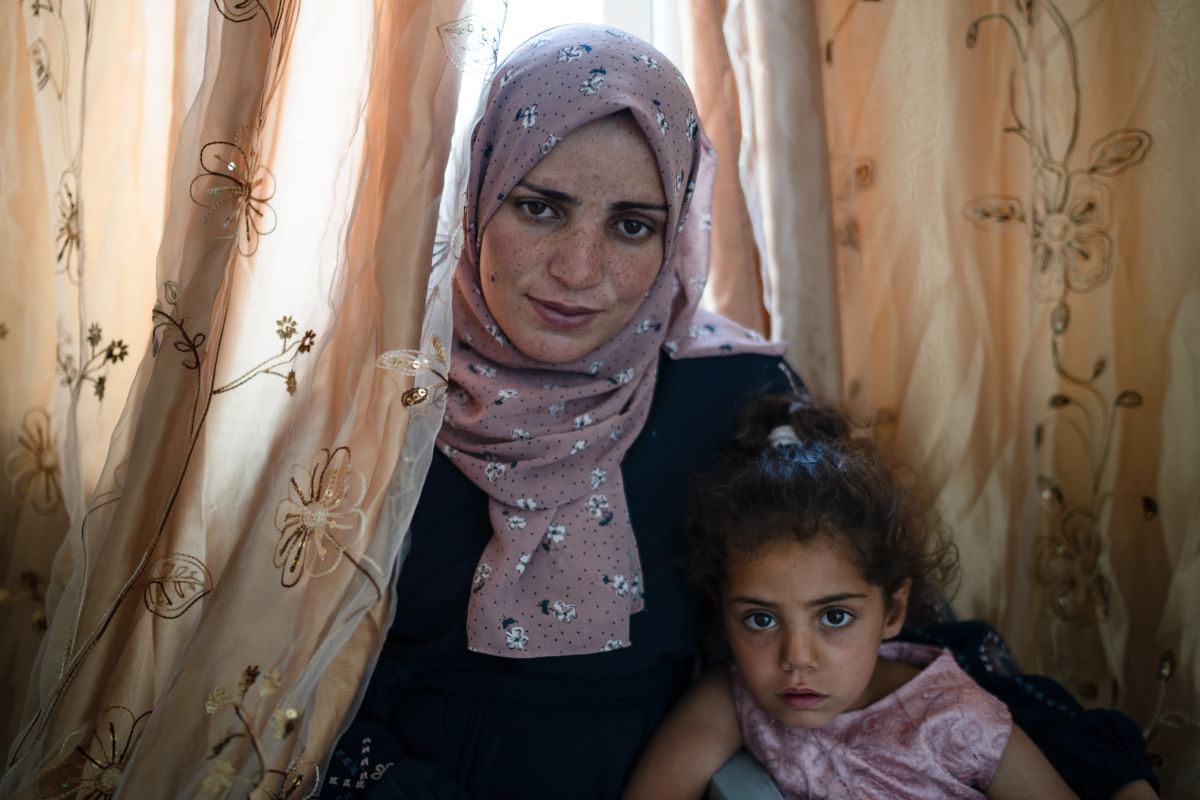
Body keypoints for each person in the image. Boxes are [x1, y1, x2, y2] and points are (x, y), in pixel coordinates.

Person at [324, 23, 1158, 800]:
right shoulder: (380, 399)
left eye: (632, 225)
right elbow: (305, 690)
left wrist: (1105, 770)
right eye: (540, 207)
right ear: (476, 195)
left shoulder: (732, 390)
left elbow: (889, 628)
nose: (579, 270)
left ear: (679, 229)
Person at [622, 396, 1077, 799]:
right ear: (723, 615)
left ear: (893, 610)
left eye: (835, 616)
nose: (797, 659)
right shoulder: (735, 697)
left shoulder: (958, 719)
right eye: (761, 620)